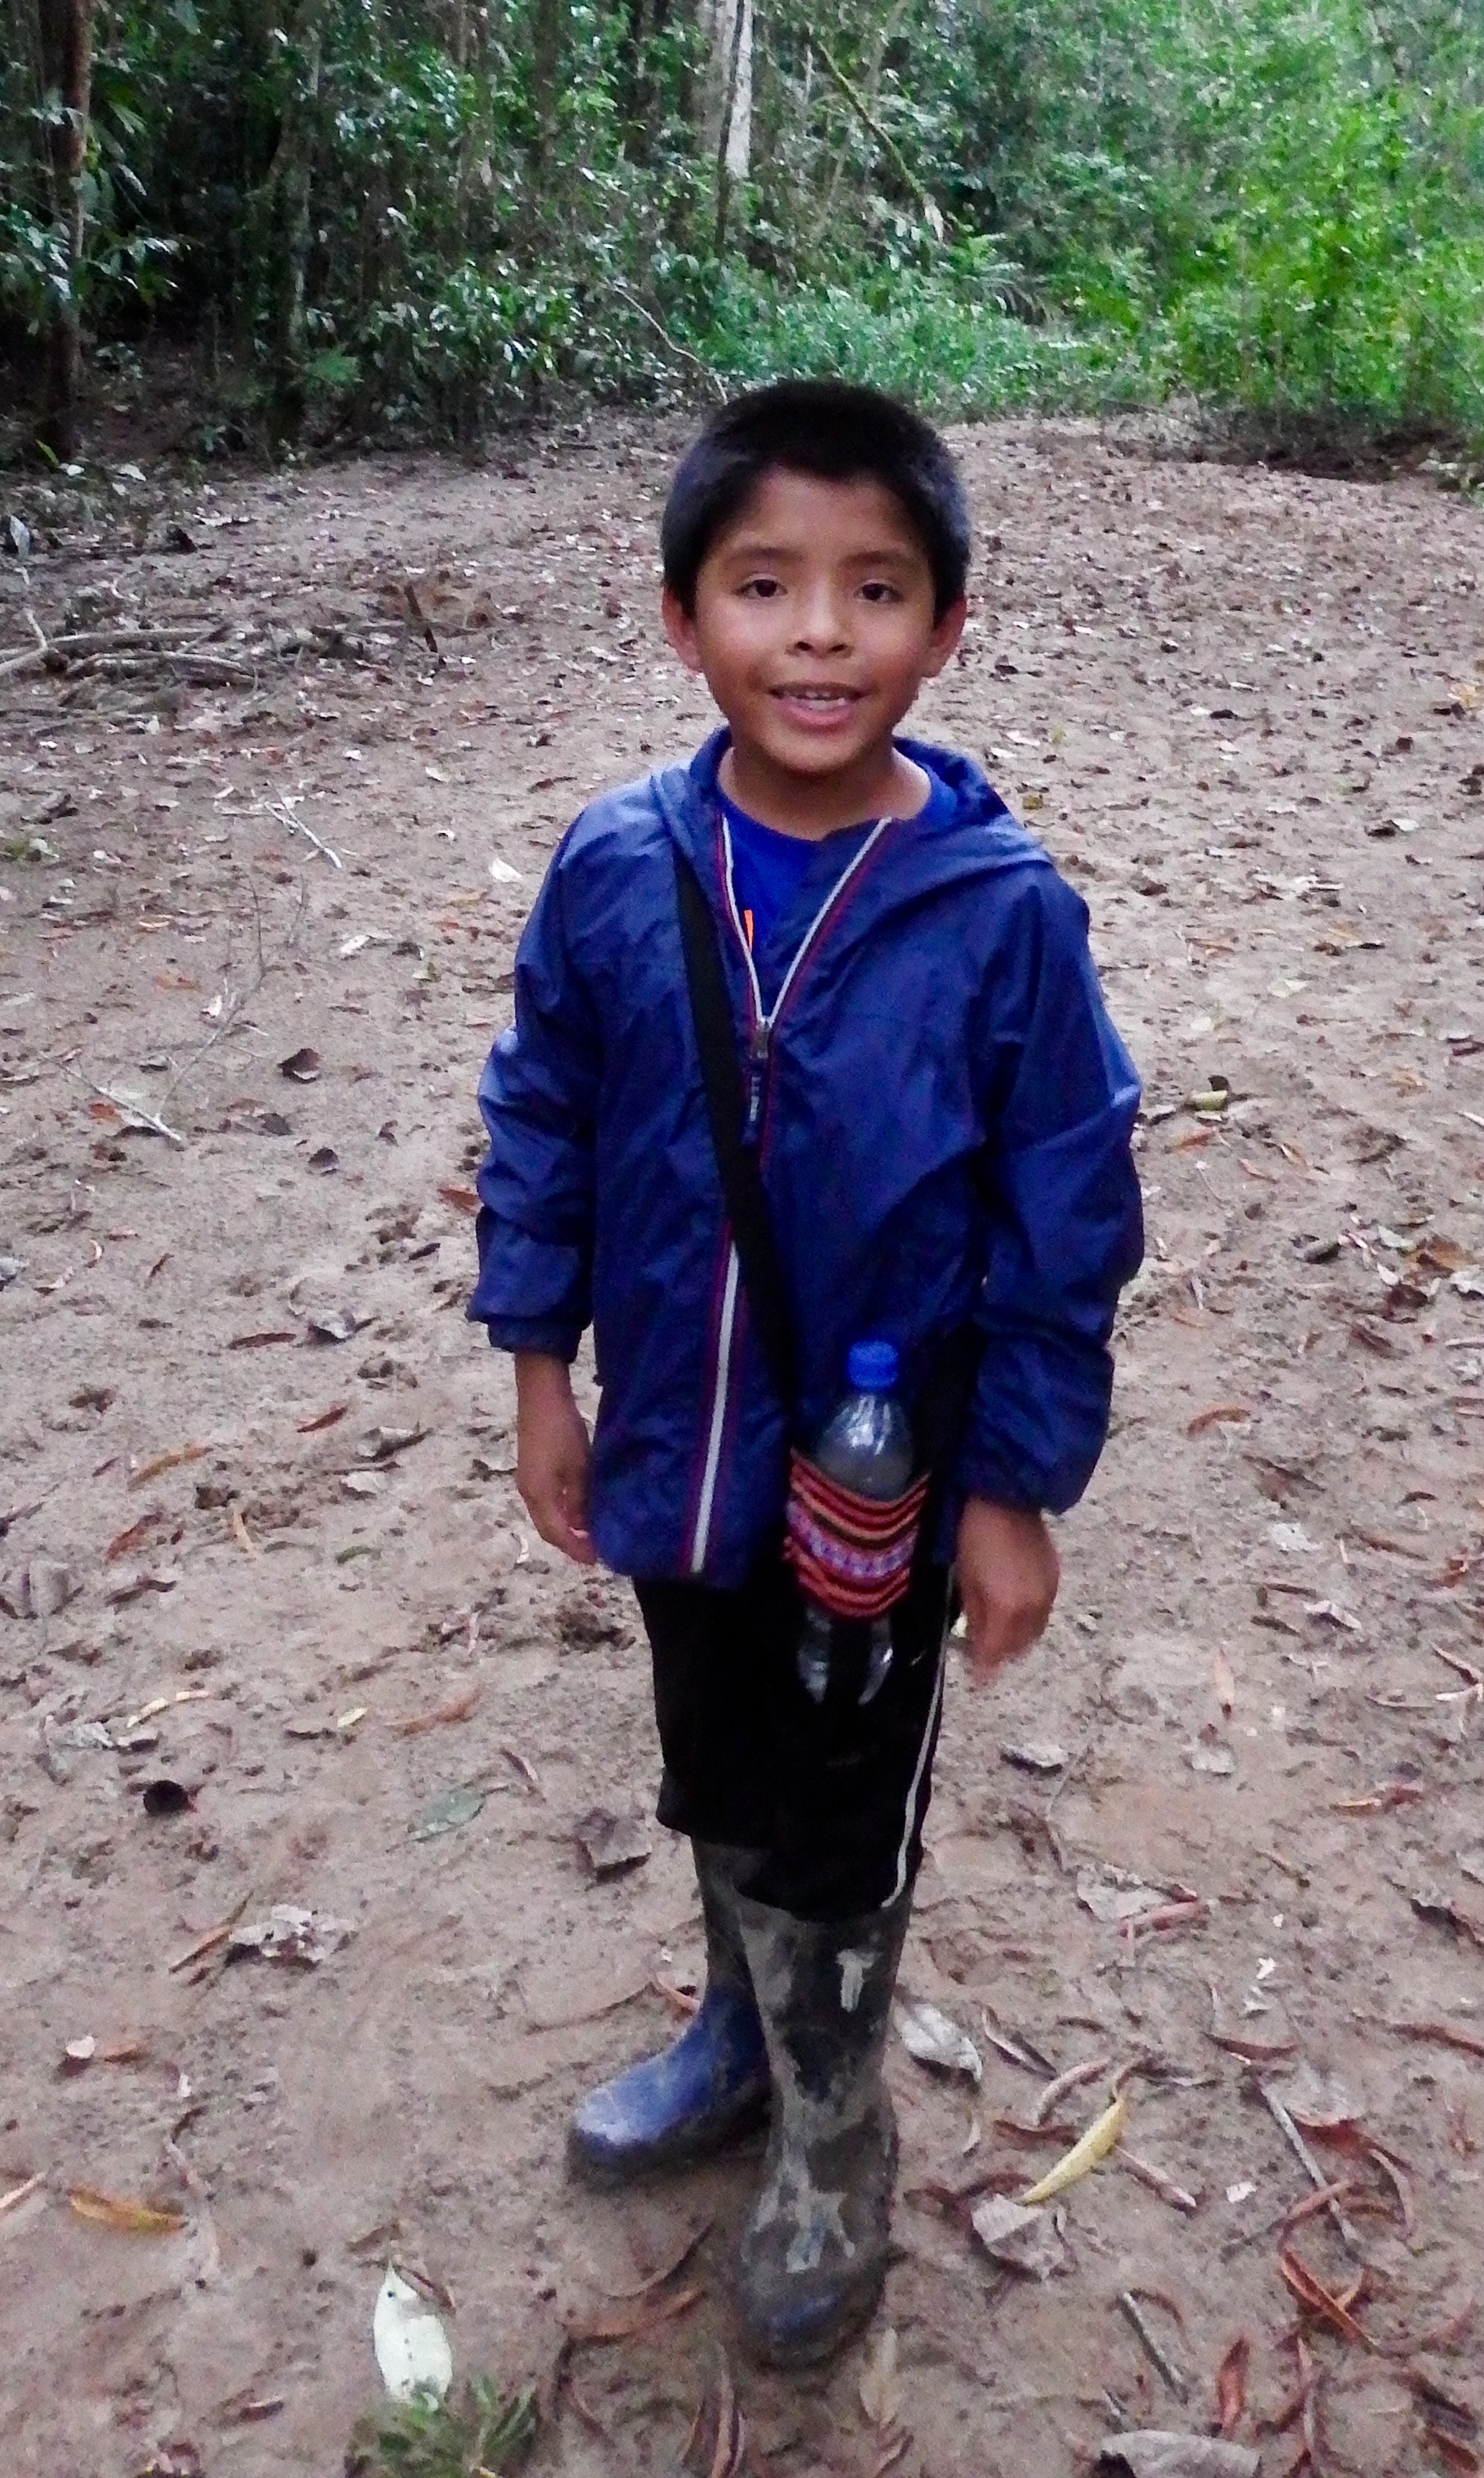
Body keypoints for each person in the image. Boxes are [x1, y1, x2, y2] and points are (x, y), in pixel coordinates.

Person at [468, 380, 1144, 2369]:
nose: (820, 634)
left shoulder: (1000, 916)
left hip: (876, 1473)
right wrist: (537, 1369)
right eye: (765, 585)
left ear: (945, 625)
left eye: (873, 587)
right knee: (714, 1757)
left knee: (842, 1801)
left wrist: (1009, 1481)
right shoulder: (619, 868)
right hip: (679, 1454)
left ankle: (831, 2129)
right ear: (683, 619)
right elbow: (546, 1116)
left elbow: (1064, 1204)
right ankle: (735, 2030)